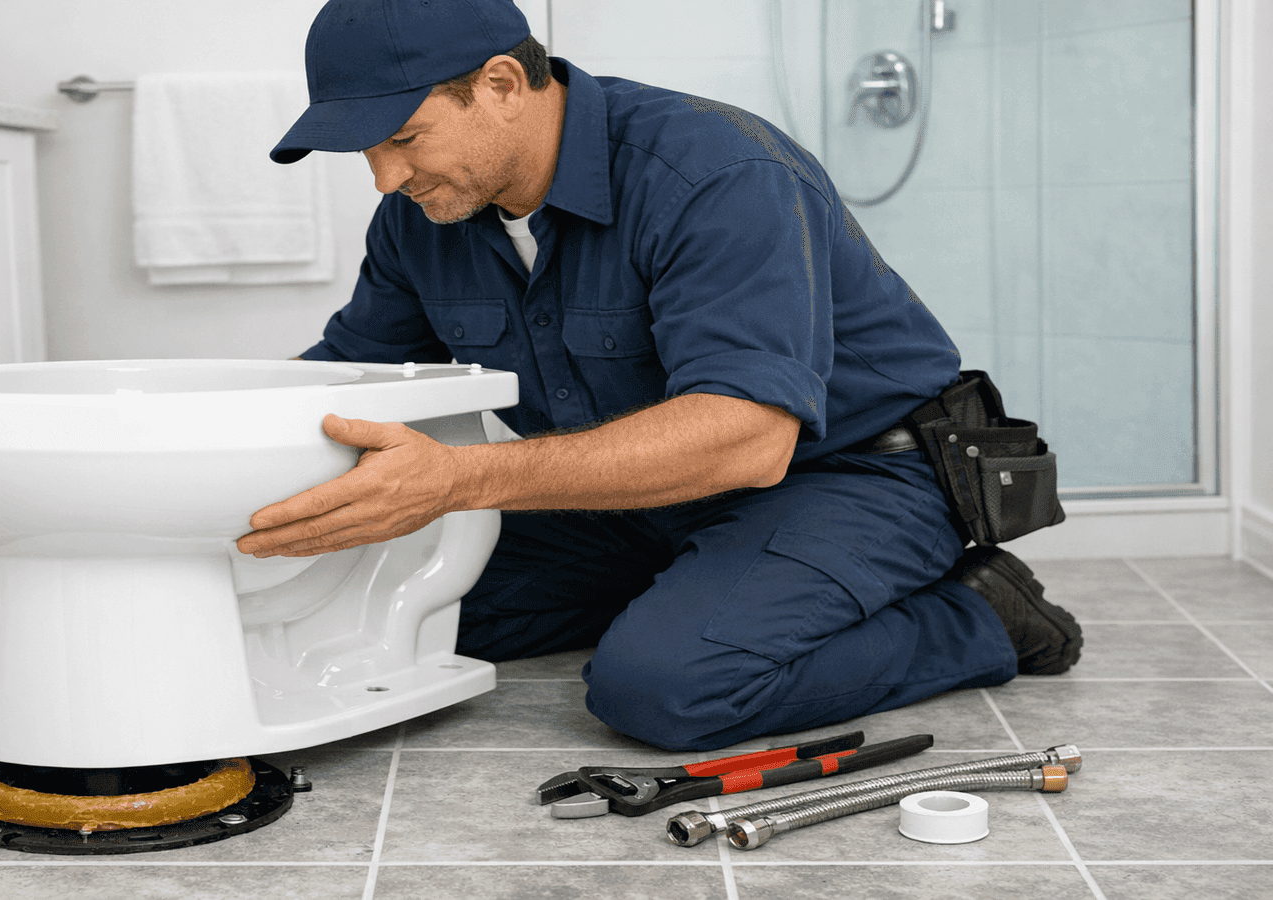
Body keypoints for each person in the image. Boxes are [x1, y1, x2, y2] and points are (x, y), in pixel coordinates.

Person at [236, 0, 1082, 752]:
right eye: (367, 152)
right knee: (410, 611)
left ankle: (980, 617)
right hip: (637, 496)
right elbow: (350, 378)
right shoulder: (421, 219)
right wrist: (195, 439)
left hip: (852, 473)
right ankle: (707, 588)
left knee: (664, 688)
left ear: (499, 84)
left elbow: (747, 439)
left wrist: (458, 480)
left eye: (403, 139)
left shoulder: (716, 172)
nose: (386, 178)